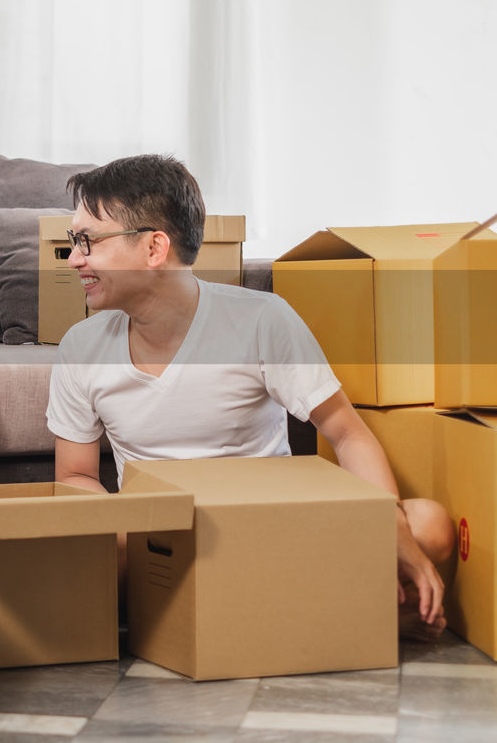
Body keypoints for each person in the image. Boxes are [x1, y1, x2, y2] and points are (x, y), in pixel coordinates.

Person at [46, 154, 454, 639]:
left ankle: (239, 612)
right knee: (80, 539)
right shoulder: (82, 346)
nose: (75, 258)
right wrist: (117, 523)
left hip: (270, 528)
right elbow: (74, 476)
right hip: (161, 543)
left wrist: (392, 525)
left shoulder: (262, 319)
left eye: (87, 241)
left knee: (428, 524)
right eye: (74, 242)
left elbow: (347, 434)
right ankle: (331, 609)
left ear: (155, 247)